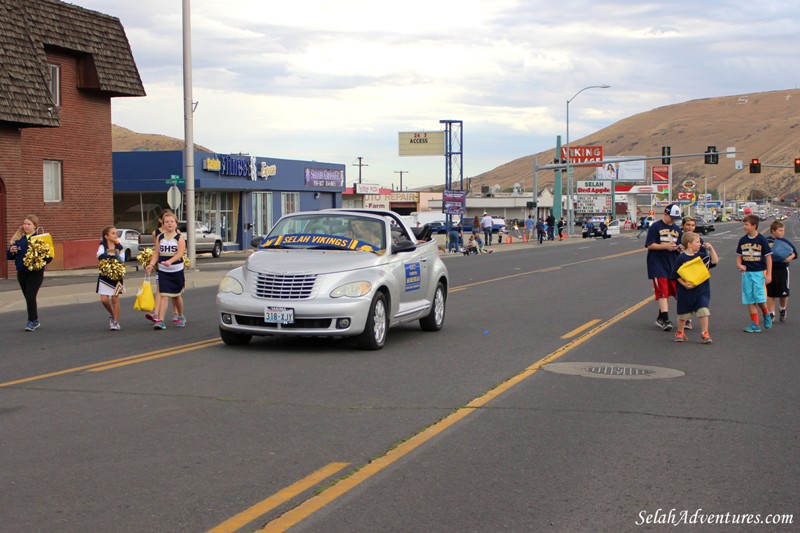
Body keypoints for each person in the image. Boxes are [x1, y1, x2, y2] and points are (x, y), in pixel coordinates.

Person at [671, 231, 719, 344]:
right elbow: (675, 274)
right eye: (697, 242)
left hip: (701, 290)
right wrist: (683, 284)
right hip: (686, 291)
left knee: (703, 310)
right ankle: (680, 332)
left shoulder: (701, 257)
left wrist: (711, 249)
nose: (700, 244)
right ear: (689, 244)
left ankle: (705, 333)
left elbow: (715, 261)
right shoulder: (681, 258)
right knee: (683, 314)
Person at [6, 214, 51, 332]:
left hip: (35, 272)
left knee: (30, 296)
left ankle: (31, 321)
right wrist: (11, 250)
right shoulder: (19, 239)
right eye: (24, 224)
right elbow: (9, 256)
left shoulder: (40, 239)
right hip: (21, 272)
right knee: (28, 297)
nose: (26, 226)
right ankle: (35, 319)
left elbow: (49, 256)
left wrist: (40, 262)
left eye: (29, 224)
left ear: (35, 226)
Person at [145, 211, 187, 329]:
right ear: (163, 224)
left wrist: (170, 261)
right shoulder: (160, 237)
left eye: (172, 221)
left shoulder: (179, 238)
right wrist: (151, 264)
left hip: (176, 270)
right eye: (167, 222)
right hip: (163, 270)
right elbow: (156, 254)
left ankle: (180, 316)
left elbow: (180, 253)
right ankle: (160, 320)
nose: (169, 224)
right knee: (163, 294)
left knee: (176, 295)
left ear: (176, 224)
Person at [645, 204, 683, 331]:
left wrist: (679, 248)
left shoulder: (678, 229)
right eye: (671, 217)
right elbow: (650, 245)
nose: (673, 220)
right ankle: (666, 319)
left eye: (675, 218)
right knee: (662, 291)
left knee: (671, 291)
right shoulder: (655, 227)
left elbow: (680, 244)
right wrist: (665, 247)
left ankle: (660, 317)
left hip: (672, 264)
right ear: (665, 214)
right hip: (657, 264)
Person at [736, 214, 773, 333]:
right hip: (747, 274)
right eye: (744, 224)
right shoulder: (742, 240)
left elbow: (768, 258)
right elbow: (739, 257)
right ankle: (755, 324)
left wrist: (768, 274)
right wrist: (739, 265)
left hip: (759, 273)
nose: (744, 227)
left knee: (760, 299)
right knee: (749, 299)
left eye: (746, 225)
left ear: (754, 226)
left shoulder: (761, 240)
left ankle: (766, 314)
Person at [766, 220, 797, 323]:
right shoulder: (766, 241)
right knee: (771, 293)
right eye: (780, 230)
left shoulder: (785, 241)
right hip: (771, 269)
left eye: (783, 230)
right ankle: (771, 313)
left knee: (783, 292)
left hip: (783, 269)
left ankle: (782, 309)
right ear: (773, 231)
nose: (783, 232)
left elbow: (794, 253)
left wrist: (790, 258)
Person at [97, 226, 124, 331]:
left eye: (116, 233)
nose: (115, 235)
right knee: (104, 300)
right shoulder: (102, 245)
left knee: (115, 298)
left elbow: (122, 259)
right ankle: (113, 315)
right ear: (106, 236)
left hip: (117, 275)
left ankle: (116, 322)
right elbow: (100, 255)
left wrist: (112, 254)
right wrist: (113, 253)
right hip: (105, 275)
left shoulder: (120, 246)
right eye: (113, 233)